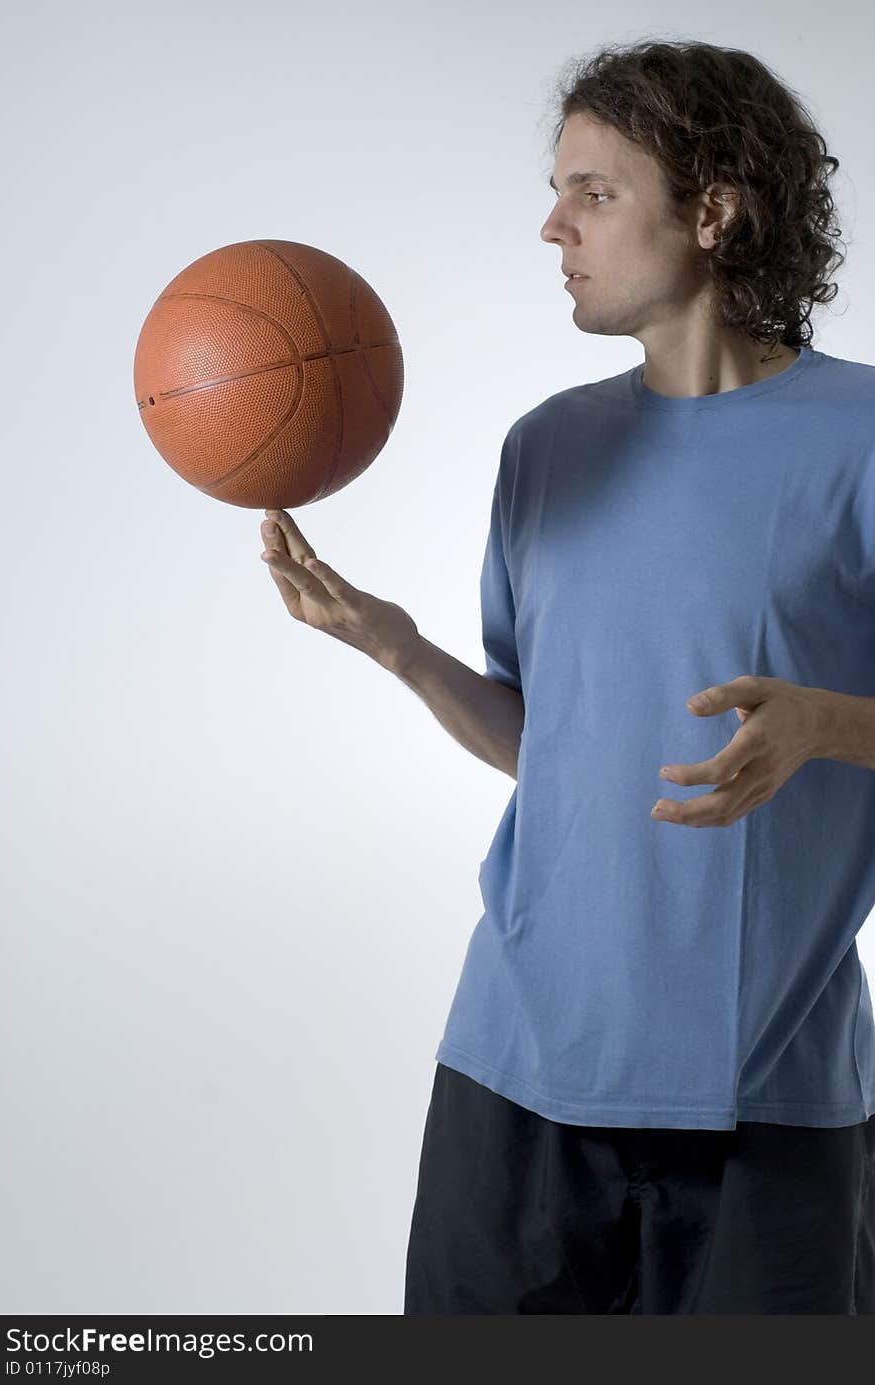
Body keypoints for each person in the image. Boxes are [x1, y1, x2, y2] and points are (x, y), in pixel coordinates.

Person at [258, 38, 875, 1314]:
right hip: (518, 1074)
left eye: (594, 191)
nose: (553, 225)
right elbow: (556, 740)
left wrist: (824, 721)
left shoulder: (857, 437)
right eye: (557, 191)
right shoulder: (547, 449)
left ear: (712, 210)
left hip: (768, 1099)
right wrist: (400, 648)